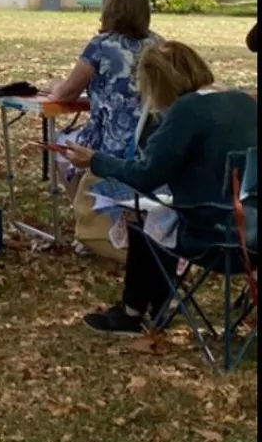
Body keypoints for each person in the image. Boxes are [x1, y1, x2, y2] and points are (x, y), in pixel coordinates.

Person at [56, 41, 258, 335]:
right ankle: (158, 304)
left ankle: (132, 312)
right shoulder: (242, 101)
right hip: (253, 232)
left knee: (146, 221)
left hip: (216, 237)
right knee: (163, 215)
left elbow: (146, 174)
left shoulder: (187, 110)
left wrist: (95, 161)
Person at [50, 0, 159, 256]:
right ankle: (114, 221)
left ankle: (89, 222)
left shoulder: (101, 46)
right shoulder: (159, 45)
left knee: (63, 149)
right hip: (153, 140)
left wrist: (54, 87)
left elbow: (68, 92)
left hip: (109, 140)